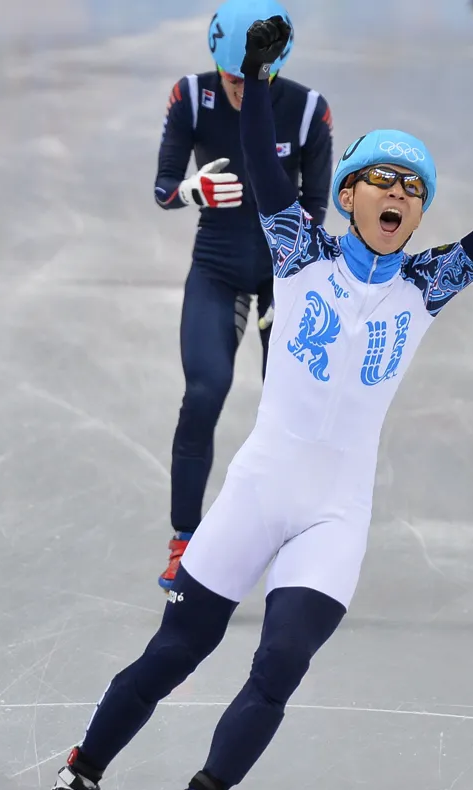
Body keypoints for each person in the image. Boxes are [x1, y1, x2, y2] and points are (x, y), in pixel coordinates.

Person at [31, 14, 473, 790]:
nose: (399, 194)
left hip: (335, 515)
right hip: (259, 491)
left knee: (280, 666)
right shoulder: (300, 252)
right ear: (349, 195)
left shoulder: (427, 284)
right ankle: (82, 773)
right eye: (383, 180)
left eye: (414, 188)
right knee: (174, 652)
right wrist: (258, 82)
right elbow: (264, 170)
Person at [155, 0, 333, 593]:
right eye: (230, 78)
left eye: (250, 78)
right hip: (218, 268)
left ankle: (292, 544)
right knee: (204, 394)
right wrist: (191, 191)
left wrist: (296, 282)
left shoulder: (307, 109)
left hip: (282, 276)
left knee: (289, 413)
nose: (238, 89)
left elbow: (315, 208)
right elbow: (163, 188)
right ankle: (184, 541)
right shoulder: (190, 96)